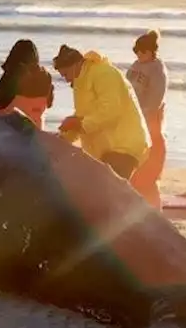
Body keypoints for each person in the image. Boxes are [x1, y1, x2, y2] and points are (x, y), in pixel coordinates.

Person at [52, 44, 148, 180]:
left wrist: (78, 123)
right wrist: (63, 138)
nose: (66, 79)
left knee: (108, 193)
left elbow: (111, 111)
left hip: (123, 145)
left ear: (75, 65)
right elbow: (83, 116)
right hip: (107, 150)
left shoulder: (104, 73)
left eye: (66, 74)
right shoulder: (81, 82)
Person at [126, 29, 169, 208]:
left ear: (152, 51)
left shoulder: (158, 70)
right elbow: (125, 87)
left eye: (143, 52)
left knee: (150, 167)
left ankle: (153, 206)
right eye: (137, 52)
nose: (140, 55)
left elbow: (156, 98)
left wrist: (144, 114)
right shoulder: (136, 65)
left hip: (150, 119)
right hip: (133, 118)